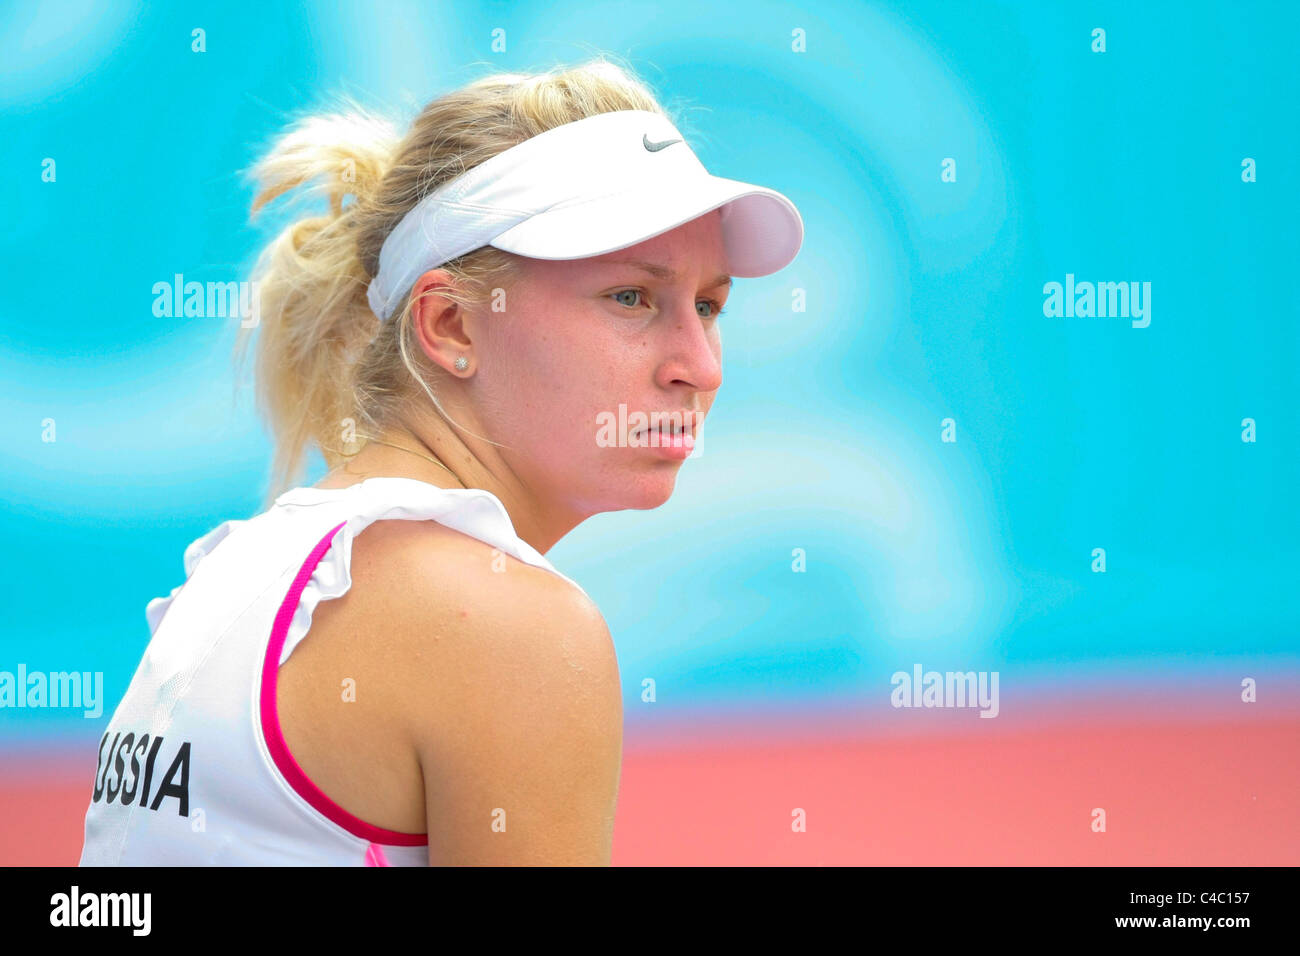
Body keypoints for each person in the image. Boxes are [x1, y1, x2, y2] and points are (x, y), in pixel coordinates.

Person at [78, 58, 803, 866]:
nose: (699, 366)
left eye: (709, 306)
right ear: (451, 324)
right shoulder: (511, 629)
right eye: (631, 297)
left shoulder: (228, 571)